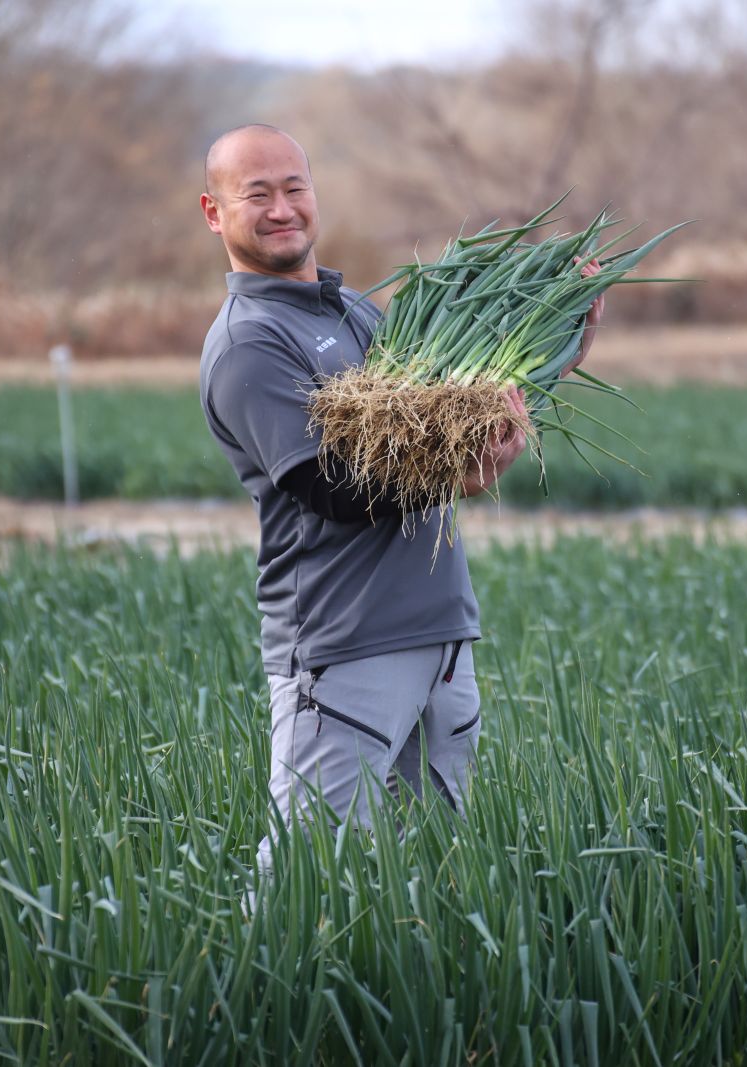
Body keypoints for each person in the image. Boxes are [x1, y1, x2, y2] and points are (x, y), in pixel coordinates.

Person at [196, 124, 602, 875]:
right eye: (257, 194)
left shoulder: (358, 313)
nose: (283, 207)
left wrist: (554, 353)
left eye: (294, 187)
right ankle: (241, 995)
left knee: (432, 874)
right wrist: (459, 477)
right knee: (309, 875)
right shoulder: (249, 343)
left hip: (441, 638)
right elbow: (332, 487)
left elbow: (455, 419)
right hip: (344, 648)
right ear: (214, 212)